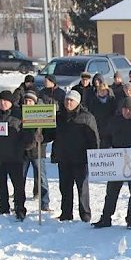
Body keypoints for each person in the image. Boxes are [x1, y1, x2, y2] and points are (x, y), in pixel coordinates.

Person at [92, 98, 131, 229]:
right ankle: (106, 217)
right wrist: (106, 147)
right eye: (124, 109)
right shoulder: (114, 121)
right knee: (112, 191)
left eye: (129, 110)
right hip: (117, 160)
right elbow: (106, 137)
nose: (126, 112)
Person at [44, 90, 99, 222]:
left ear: (77, 102)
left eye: (71, 100)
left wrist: (94, 157)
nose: (68, 102)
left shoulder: (87, 117)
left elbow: (94, 139)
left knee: (82, 189)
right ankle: (66, 213)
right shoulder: (58, 116)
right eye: (67, 100)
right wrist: (42, 136)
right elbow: (50, 134)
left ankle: (85, 214)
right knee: (65, 188)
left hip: (81, 159)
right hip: (63, 158)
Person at [0, 91, 33, 221]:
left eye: (6, 101)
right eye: (1, 101)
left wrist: (23, 147)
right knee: (0, 185)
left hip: (15, 157)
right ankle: (3, 208)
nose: (3, 103)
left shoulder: (20, 115)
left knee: (18, 186)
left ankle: (20, 209)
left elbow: (28, 134)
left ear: (11, 102)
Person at [21, 91, 51, 211]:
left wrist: (43, 138)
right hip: (23, 151)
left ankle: (45, 203)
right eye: (26, 101)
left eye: (30, 101)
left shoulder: (42, 113)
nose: (28, 103)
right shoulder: (20, 114)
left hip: (38, 151)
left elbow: (49, 132)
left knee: (42, 178)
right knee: (20, 179)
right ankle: (19, 204)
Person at [88, 83, 116, 147]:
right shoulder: (93, 101)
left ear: (107, 91)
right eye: (100, 90)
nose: (102, 92)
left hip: (110, 126)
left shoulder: (112, 100)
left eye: (104, 90)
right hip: (98, 126)